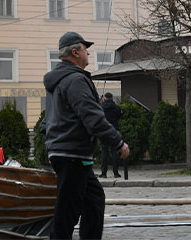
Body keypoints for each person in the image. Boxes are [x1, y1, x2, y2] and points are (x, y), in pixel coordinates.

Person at [43, 32, 130, 240]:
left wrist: (51, 143)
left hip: (67, 152)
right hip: (72, 154)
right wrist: (118, 142)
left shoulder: (59, 80)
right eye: (85, 49)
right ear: (75, 52)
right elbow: (92, 117)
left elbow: (46, 122)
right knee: (67, 213)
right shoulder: (75, 80)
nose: (88, 53)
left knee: (94, 200)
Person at [99, 93, 122, 178]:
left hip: (104, 131)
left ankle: (103, 173)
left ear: (104, 98)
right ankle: (116, 172)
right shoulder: (116, 108)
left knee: (104, 151)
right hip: (114, 130)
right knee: (114, 151)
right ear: (112, 99)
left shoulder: (101, 107)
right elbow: (120, 115)